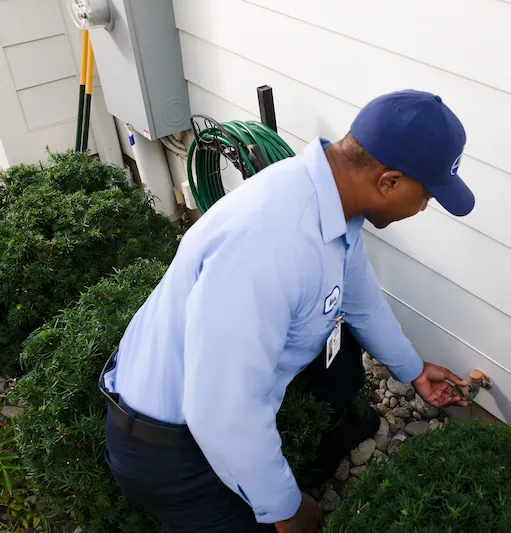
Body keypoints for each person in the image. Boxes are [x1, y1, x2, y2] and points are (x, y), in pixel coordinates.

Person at [100, 89, 476, 533]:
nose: (423, 208)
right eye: (427, 196)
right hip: (171, 448)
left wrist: (413, 370)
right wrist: (286, 508)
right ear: (389, 182)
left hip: (203, 412)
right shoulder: (271, 245)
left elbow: (360, 299)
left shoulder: (332, 201)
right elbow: (222, 414)